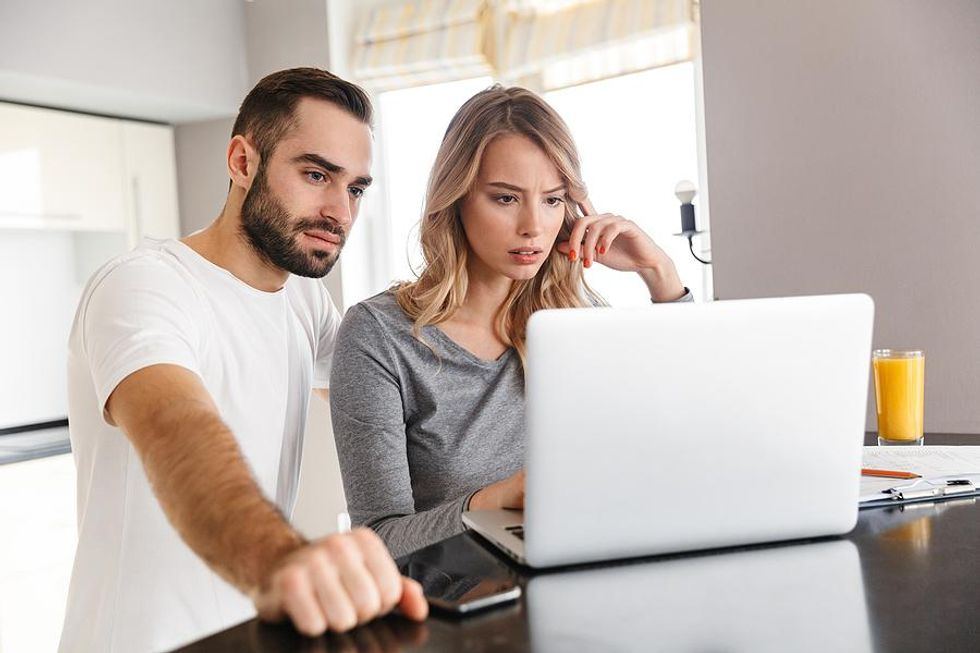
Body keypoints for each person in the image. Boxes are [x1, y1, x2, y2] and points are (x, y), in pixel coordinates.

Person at [59, 68, 427, 653]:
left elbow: (403, 385)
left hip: (253, 633)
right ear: (242, 161)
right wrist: (284, 561)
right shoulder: (144, 287)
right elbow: (180, 435)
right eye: (315, 175)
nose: (339, 212)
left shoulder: (306, 302)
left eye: (355, 188)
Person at [330, 85, 692, 558]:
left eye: (553, 200)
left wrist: (660, 276)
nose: (533, 227)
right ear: (456, 198)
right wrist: (497, 500)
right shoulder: (379, 337)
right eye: (505, 199)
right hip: (457, 619)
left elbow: (689, 440)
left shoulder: (578, 324)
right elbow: (376, 543)